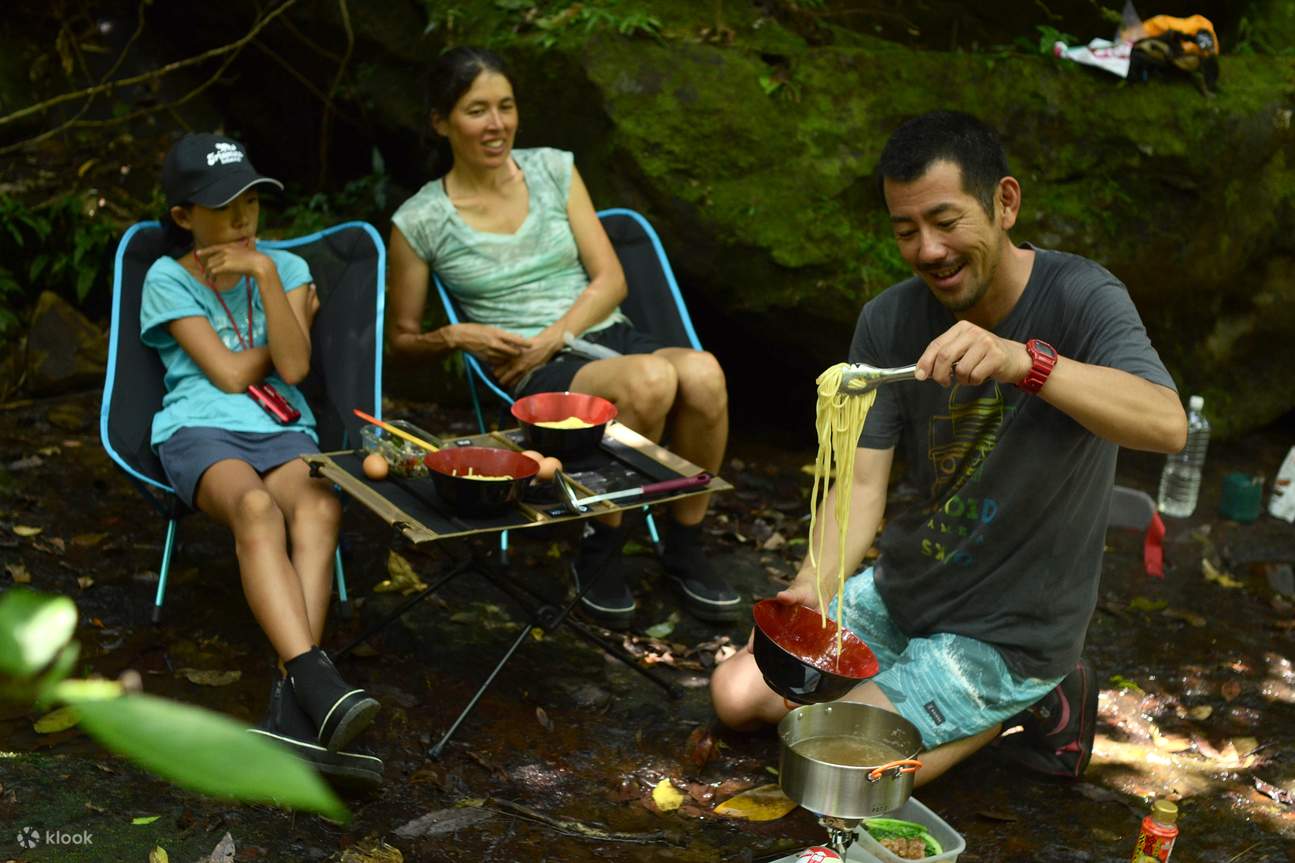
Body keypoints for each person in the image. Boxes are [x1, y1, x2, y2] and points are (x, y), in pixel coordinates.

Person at [710, 110, 1187, 785]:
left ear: (1004, 202)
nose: (927, 249)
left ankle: (1025, 697)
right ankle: (933, 693)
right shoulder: (888, 319)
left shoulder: (1081, 297)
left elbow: (1166, 423)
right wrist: (810, 589)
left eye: (945, 221)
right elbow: (858, 485)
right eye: (905, 231)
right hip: (910, 585)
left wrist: (1024, 362)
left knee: (838, 771)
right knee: (735, 697)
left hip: (1012, 625)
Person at [386, 47, 739, 629]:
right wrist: (451, 334)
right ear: (440, 121)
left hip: (596, 336)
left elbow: (611, 278)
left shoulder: (553, 168)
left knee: (704, 372)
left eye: (506, 106)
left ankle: (685, 545)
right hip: (531, 372)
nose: (497, 124)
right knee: (651, 380)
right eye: (477, 110)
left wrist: (555, 334)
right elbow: (401, 341)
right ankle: (599, 549)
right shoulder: (420, 221)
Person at [142, 133, 381, 787]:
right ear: (184, 216)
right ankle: (315, 675)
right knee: (253, 508)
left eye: (251, 202)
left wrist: (268, 275)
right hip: (199, 430)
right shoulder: (166, 278)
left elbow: (297, 368)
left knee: (320, 504)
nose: (243, 219)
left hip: (283, 432)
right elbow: (221, 373)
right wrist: (273, 343)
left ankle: (294, 711)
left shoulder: (288, 268)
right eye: (223, 207)